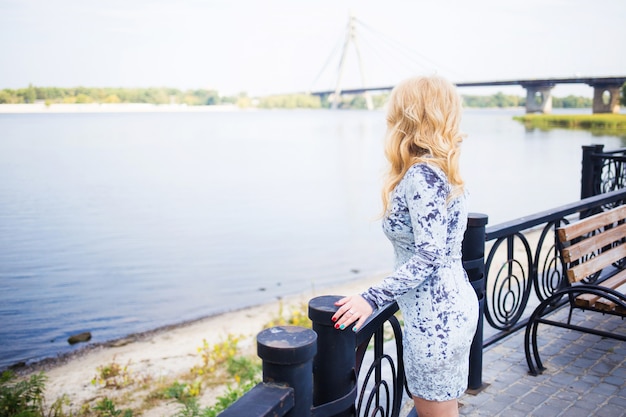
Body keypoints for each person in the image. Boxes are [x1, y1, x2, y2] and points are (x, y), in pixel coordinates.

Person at [331, 75, 479, 417]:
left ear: (407, 117)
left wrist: (371, 298)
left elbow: (430, 255)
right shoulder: (443, 169)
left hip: (435, 321)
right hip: (454, 307)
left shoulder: (422, 176)